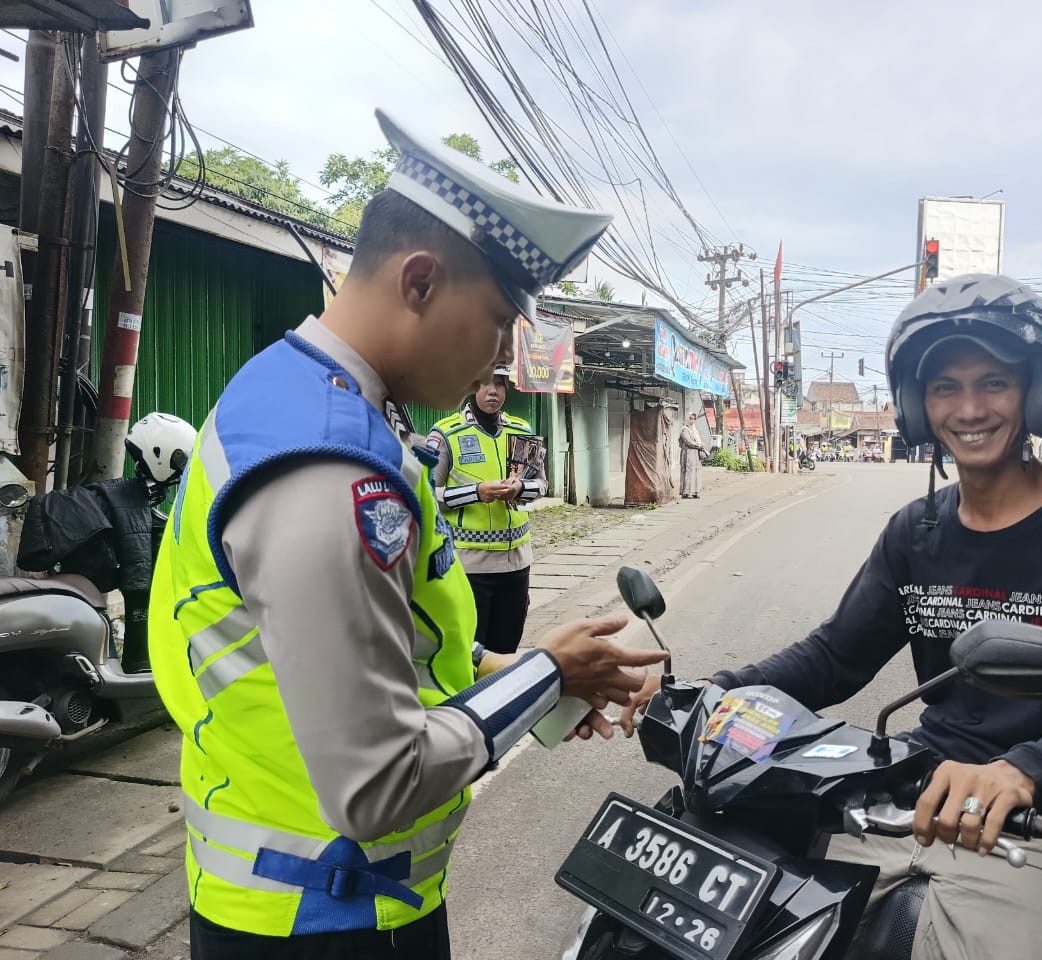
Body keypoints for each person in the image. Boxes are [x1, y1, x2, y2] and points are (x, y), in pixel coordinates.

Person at [148, 109, 667, 960]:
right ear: (419, 280)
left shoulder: (295, 396)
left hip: (317, 894)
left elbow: (400, 660)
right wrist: (543, 676)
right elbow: (379, 783)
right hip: (331, 915)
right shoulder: (327, 469)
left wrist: (546, 681)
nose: (500, 357)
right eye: (499, 320)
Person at [622, 274, 1042, 959]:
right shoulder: (917, 532)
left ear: (1036, 390)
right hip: (913, 797)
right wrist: (716, 691)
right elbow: (836, 656)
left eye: (994, 382)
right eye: (945, 387)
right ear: (915, 405)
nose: (969, 408)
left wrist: (1019, 770)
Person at [428, 367, 543, 655]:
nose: (493, 391)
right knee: (470, 653)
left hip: (516, 564)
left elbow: (540, 484)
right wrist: (477, 493)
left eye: (501, 385)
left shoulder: (521, 430)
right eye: (485, 384)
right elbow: (427, 494)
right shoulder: (447, 434)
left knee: (506, 650)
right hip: (468, 567)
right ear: (471, 386)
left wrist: (518, 489)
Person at [679, 412, 706, 498]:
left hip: (695, 453)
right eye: (690, 418)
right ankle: (686, 492)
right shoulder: (684, 429)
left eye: (694, 419)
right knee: (688, 472)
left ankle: (695, 492)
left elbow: (698, 440)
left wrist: (701, 444)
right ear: (687, 419)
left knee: (696, 471)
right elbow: (688, 441)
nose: (692, 421)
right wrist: (698, 445)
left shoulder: (695, 430)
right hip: (688, 453)